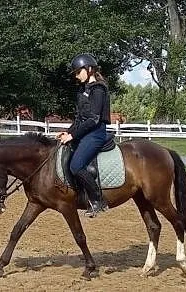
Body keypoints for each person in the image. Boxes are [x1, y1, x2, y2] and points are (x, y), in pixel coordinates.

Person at [56, 53, 111, 217]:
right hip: (85, 131)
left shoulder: (98, 89)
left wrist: (73, 136)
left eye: (78, 72)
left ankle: (98, 200)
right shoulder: (83, 90)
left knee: (76, 166)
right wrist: (69, 131)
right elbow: (80, 118)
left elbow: (93, 119)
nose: (76, 75)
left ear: (89, 69)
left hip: (96, 133)